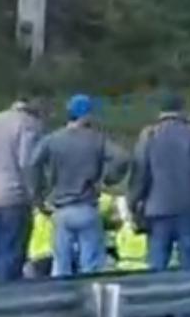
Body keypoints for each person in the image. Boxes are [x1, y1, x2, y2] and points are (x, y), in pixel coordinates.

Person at [127, 93, 190, 317]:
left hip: (158, 208)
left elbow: (140, 171)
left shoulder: (150, 134)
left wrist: (134, 203)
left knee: (157, 266)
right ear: (182, 108)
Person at [28, 94, 128, 277]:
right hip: (87, 207)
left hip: (61, 210)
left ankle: (61, 301)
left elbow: (32, 163)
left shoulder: (53, 140)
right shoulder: (96, 139)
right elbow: (122, 158)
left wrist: (38, 196)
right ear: (86, 115)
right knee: (90, 266)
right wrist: (108, 179)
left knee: (61, 265)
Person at [0, 97, 45, 282]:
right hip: (15, 195)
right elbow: (27, 162)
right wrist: (35, 195)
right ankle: (7, 294)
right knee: (12, 248)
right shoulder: (29, 124)